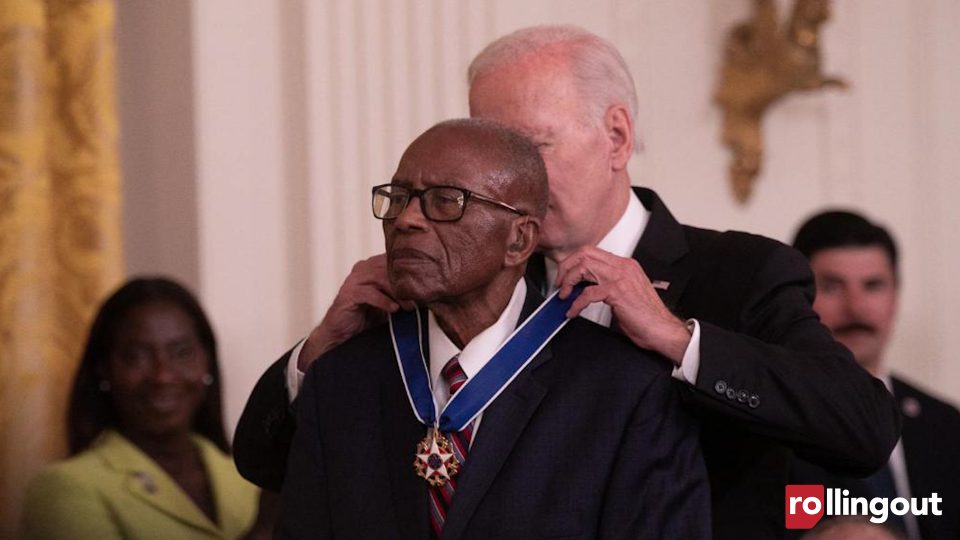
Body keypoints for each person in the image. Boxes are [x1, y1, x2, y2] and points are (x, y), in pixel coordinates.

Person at [235, 25, 900, 539]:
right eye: (496, 150)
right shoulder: (464, 277)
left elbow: (862, 428)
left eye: (532, 147)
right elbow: (270, 461)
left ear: (615, 137)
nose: (511, 176)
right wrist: (318, 351)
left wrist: (679, 340)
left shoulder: (743, 273)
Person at [277, 118, 710, 539]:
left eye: (445, 201)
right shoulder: (339, 383)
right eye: (399, 197)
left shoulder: (624, 391)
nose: (407, 219)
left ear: (519, 240)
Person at [21, 277, 274, 540]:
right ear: (104, 369)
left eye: (182, 352)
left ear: (207, 362)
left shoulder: (248, 477)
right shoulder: (64, 488)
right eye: (136, 357)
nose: (163, 376)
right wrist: (264, 530)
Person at [790, 210, 960, 540]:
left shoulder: (946, 426)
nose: (856, 308)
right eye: (832, 286)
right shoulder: (759, 426)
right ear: (797, 299)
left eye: (873, 286)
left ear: (895, 296)